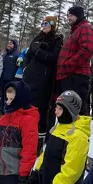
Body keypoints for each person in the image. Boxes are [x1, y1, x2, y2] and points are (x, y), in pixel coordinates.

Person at [22, 91, 91, 184]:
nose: (56, 112)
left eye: (60, 109)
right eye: (56, 108)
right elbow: (46, 154)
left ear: (69, 111)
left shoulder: (78, 137)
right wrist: (36, 173)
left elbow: (70, 173)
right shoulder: (58, 128)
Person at [23, 16, 63, 153]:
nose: (43, 25)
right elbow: (28, 54)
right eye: (42, 23)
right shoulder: (37, 37)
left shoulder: (57, 39)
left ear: (52, 25)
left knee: (41, 109)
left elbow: (54, 57)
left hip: (45, 80)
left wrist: (39, 51)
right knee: (27, 106)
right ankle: (27, 134)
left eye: (46, 23)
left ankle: (40, 139)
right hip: (30, 77)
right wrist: (25, 66)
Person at [56, 6, 93, 116]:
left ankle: (79, 133)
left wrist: (68, 65)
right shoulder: (75, 31)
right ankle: (67, 132)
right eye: (68, 15)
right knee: (67, 110)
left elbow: (87, 49)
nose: (69, 18)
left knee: (77, 110)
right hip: (68, 76)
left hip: (76, 76)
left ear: (78, 16)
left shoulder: (85, 28)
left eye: (71, 15)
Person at [0, 38, 20, 119]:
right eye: (8, 43)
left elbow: (19, 68)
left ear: (15, 46)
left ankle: (9, 113)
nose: (9, 45)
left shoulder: (17, 55)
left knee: (9, 97)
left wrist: (16, 80)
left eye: (11, 44)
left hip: (11, 80)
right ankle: (1, 112)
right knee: (2, 96)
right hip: (2, 79)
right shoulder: (4, 54)